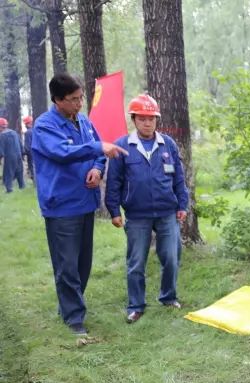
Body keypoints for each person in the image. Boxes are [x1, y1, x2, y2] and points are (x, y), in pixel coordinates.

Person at [31, 73, 128, 336]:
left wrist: (97, 170)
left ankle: (70, 305)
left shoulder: (83, 121)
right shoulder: (44, 126)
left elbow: (98, 153)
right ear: (58, 100)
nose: (79, 103)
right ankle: (74, 318)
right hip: (61, 205)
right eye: (73, 99)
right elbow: (63, 153)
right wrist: (97, 148)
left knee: (83, 262)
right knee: (67, 265)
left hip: (85, 203)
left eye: (81, 97)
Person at [105, 94, 189, 324]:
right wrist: (113, 210)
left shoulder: (167, 144)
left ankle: (168, 297)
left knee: (171, 257)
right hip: (137, 215)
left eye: (151, 118)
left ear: (156, 120)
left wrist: (182, 203)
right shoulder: (123, 146)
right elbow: (114, 181)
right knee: (136, 262)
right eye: (142, 118)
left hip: (167, 212)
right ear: (134, 119)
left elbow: (178, 177)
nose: (147, 123)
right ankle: (136, 305)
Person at [0, 117, 25, 193]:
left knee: (8, 173)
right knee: (19, 171)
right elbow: (21, 144)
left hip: (9, 157)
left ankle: (9, 189)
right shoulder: (14, 132)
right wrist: (22, 154)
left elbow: (1, 149)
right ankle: (22, 186)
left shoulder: (2, 136)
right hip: (18, 155)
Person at [23, 116, 35, 181]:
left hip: (30, 153)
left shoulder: (28, 132)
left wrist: (24, 152)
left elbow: (27, 145)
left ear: (27, 124)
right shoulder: (34, 130)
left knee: (31, 166)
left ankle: (34, 179)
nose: (25, 125)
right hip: (35, 152)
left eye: (25, 124)